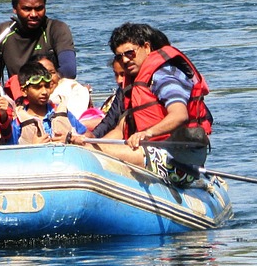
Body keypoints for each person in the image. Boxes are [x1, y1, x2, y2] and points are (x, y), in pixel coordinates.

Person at [71, 23, 212, 184]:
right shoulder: (134, 83)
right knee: (86, 150)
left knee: (90, 151)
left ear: (146, 47)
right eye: (119, 56)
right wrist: (91, 142)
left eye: (130, 53)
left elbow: (179, 115)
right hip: (149, 151)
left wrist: (147, 133)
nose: (124, 59)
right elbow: (119, 129)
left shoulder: (165, 76)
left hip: (180, 158)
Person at [0, 0, 77, 80]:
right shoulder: (3, 32)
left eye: (39, 8)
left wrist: (39, 84)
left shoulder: (56, 28)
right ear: (15, 9)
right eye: (27, 9)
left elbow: (69, 71)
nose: (34, 14)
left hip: (52, 91)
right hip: (18, 92)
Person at [9, 60, 88, 144]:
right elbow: (9, 153)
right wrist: (32, 147)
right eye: (37, 87)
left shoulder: (61, 111)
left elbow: (88, 135)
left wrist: (72, 139)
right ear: (24, 91)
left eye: (47, 86)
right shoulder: (18, 122)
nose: (44, 92)